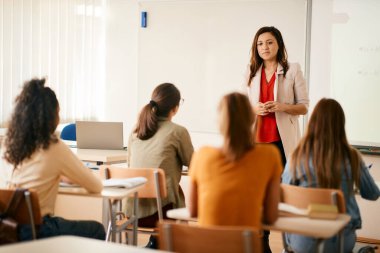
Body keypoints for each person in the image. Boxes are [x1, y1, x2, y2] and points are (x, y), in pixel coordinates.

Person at [2, 78, 105, 240]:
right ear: (50, 116)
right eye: (58, 112)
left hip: (10, 226)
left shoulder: (13, 145)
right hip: (38, 229)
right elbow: (96, 186)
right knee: (97, 229)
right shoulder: (53, 146)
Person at [282, 98, 380, 253]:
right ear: (340, 125)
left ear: (312, 123)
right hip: (339, 243)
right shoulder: (351, 156)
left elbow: (285, 194)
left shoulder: (296, 156)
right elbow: (372, 194)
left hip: (301, 243)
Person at [189, 92, 282, 253]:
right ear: (252, 119)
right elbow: (271, 216)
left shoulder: (201, 155)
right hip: (245, 247)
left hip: (206, 247)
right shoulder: (270, 155)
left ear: (219, 122)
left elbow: (193, 211)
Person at [127, 82, 194, 248]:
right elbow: (194, 164)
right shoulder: (177, 132)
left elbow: (131, 166)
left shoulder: (135, 131)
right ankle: (164, 243)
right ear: (175, 107)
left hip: (131, 211)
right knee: (175, 192)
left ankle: (155, 243)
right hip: (162, 213)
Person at [245, 26, 309, 166]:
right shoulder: (250, 71)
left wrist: (283, 107)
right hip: (255, 140)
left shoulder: (293, 69)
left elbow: (304, 107)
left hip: (282, 141)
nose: (264, 47)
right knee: (259, 186)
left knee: (282, 185)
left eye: (270, 42)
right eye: (260, 44)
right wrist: (254, 109)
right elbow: (241, 107)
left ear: (279, 44)